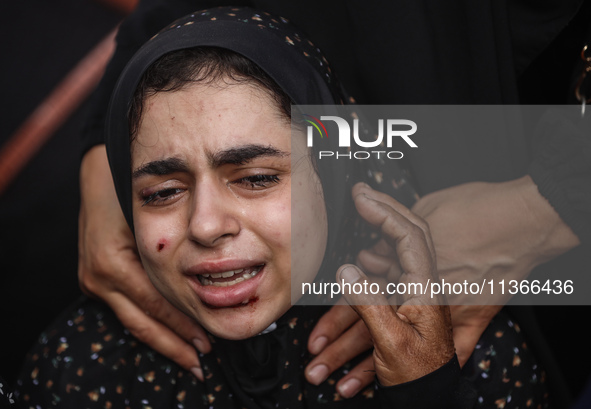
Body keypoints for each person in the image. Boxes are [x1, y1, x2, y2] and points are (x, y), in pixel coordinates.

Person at [16, 8, 550, 408]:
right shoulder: (77, 371)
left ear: (339, 179)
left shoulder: (469, 360)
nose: (205, 225)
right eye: (161, 193)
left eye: (255, 179)